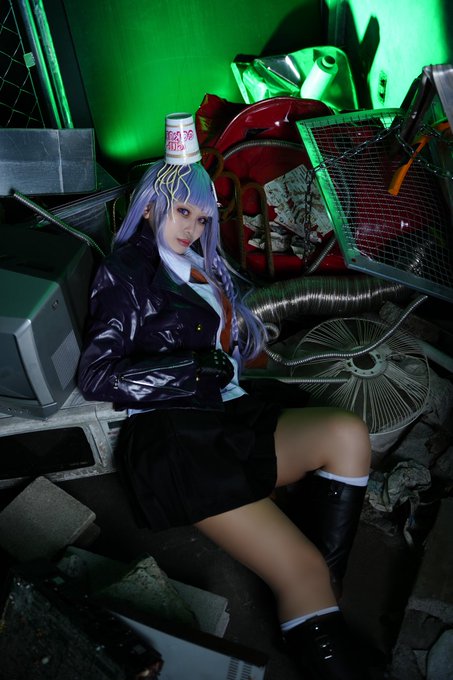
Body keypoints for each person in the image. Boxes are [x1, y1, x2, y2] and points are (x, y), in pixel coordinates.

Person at [78, 114, 372, 680]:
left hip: (228, 413)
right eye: (181, 212)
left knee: (347, 434)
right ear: (150, 206)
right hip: (177, 440)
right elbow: (97, 375)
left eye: (202, 217)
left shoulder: (196, 263)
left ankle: (317, 598)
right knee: (302, 571)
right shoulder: (127, 272)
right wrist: (192, 368)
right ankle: (312, 600)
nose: (192, 227)